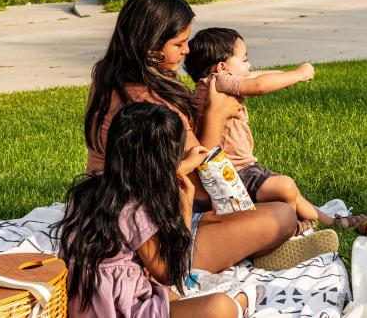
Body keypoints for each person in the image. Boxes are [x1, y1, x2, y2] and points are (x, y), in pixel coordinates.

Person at [84, 0, 316, 273]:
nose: (188, 49)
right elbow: (203, 177)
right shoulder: (153, 102)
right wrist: (216, 115)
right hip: (146, 234)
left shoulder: (108, 76)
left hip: (100, 209)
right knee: (281, 216)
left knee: (270, 208)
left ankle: (247, 245)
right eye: (179, 43)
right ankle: (248, 249)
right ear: (152, 47)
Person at [59, 102, 263, 318]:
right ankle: (240, 307)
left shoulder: (90, 189)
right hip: (119, 308)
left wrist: (181, 167)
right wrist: (185, 207)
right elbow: (170, 274)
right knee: (220, 306)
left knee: (171, 296)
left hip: (84, 301)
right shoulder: (136, 210)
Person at [185, 27, 367, 231]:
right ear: (221, 67)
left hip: (241, 170)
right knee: (285, 186)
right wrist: (298, 75)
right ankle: (288, 230)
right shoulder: (219, 81)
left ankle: (331, 222)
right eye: (244, 60)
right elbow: (258, 85)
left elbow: (256, 76)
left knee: (293, 194)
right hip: (236, 174)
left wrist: (286, 77)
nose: (249, 65)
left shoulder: (206, 84)